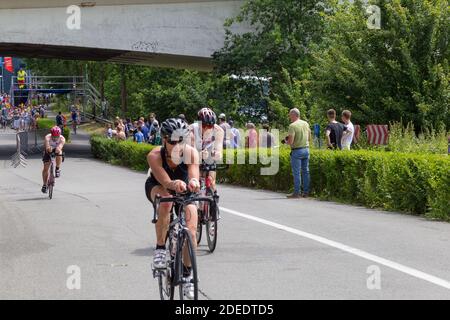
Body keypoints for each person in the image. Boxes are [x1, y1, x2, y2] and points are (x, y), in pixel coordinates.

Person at [145, 118, 200, 299]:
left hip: (184, 189)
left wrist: (193, 182)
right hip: (159, 186)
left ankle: (187, 274)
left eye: (181, 140)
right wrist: (172, 183)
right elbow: (166, 181)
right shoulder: (155, 155)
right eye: (172, 141)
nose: (177, 145)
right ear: (164, 140)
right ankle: (160, 248)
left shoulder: (191, 153)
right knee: (167, 201)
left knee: (191, 232)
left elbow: (193, 176)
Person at [190, 108, 224, 191]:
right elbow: (190, 149)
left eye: (210, 126)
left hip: (208, 153)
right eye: (204, 125)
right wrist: (198, 155)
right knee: (195, 182)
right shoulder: (191, 129)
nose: (206, 128)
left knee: (211, 182)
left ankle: (212, 200)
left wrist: (217, 154)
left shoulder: (218, 130)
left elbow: (219, 148)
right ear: (198, 123)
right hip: (194, 151)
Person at [283, 108, 311, 199]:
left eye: (290, 115)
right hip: (306, 149)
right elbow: (309, 137)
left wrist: (286, 142)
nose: (289, 117)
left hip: (297, 151)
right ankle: (306, 192)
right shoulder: (306, 123)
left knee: (297, 173)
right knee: (306, 171)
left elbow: (291, 141)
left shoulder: (292, 126)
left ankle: (296, 193)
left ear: (294, 115)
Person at [41, 126, 66, 193]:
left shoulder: (62, 138)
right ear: (51, 134)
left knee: (59, 152)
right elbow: (47, 146)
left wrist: (58, 149)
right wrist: (49, 148)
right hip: (48, 150)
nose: (55, 138)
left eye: (56, 136)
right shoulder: (48, 137)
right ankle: (44, 185)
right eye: (53, 136)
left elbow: (60, 147)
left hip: (57, 149)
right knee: (46, 168)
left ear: (59, 135)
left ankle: (57, 168)